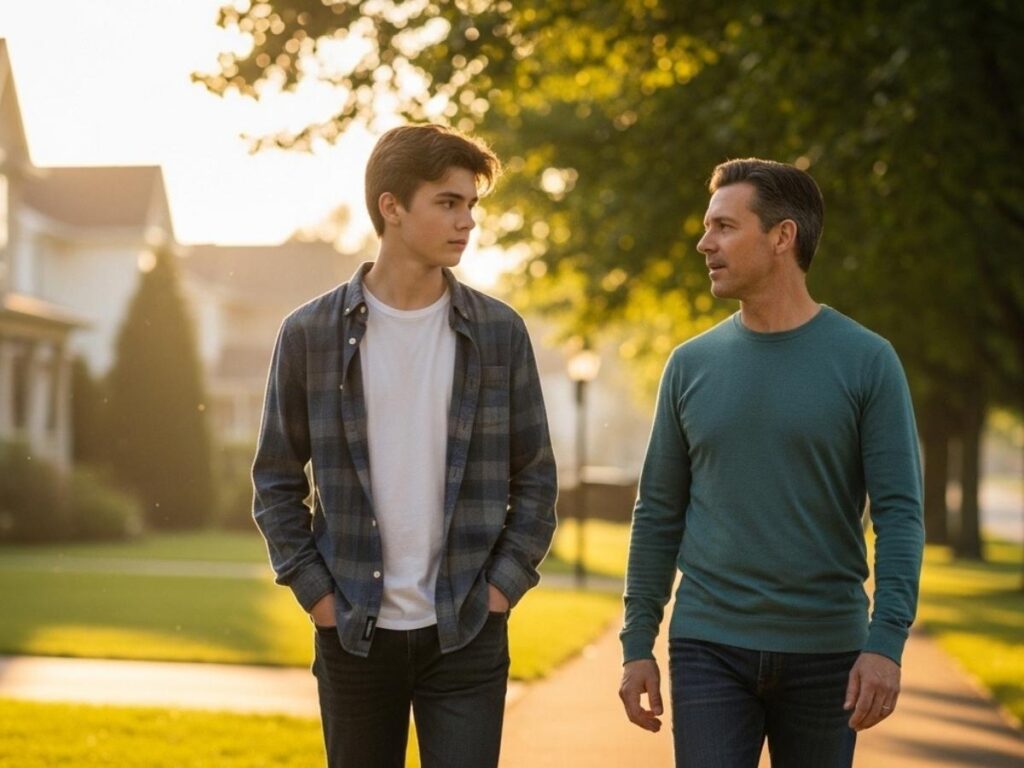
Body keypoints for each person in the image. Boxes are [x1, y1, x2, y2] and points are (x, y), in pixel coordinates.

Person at [252, 123, 557, 768]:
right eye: (448, 203)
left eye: (471, 205)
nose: (467, 222)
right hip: (354, 637)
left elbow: (535, 481)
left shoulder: (500, 333)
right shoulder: (309, 334)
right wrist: (321, 598)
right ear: (391, 206)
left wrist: (500, 589)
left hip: (468, 633)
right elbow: (275, 481)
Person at [618, 158, 924, 767]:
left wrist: (886, 643)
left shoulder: (868, 361)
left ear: (783, 237)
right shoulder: (689, 365)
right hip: (709, 646)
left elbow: (899, 514)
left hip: (828, 654)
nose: (705, 243)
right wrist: (636, 643)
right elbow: (657, 512)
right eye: (708, 227)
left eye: (725, 227)